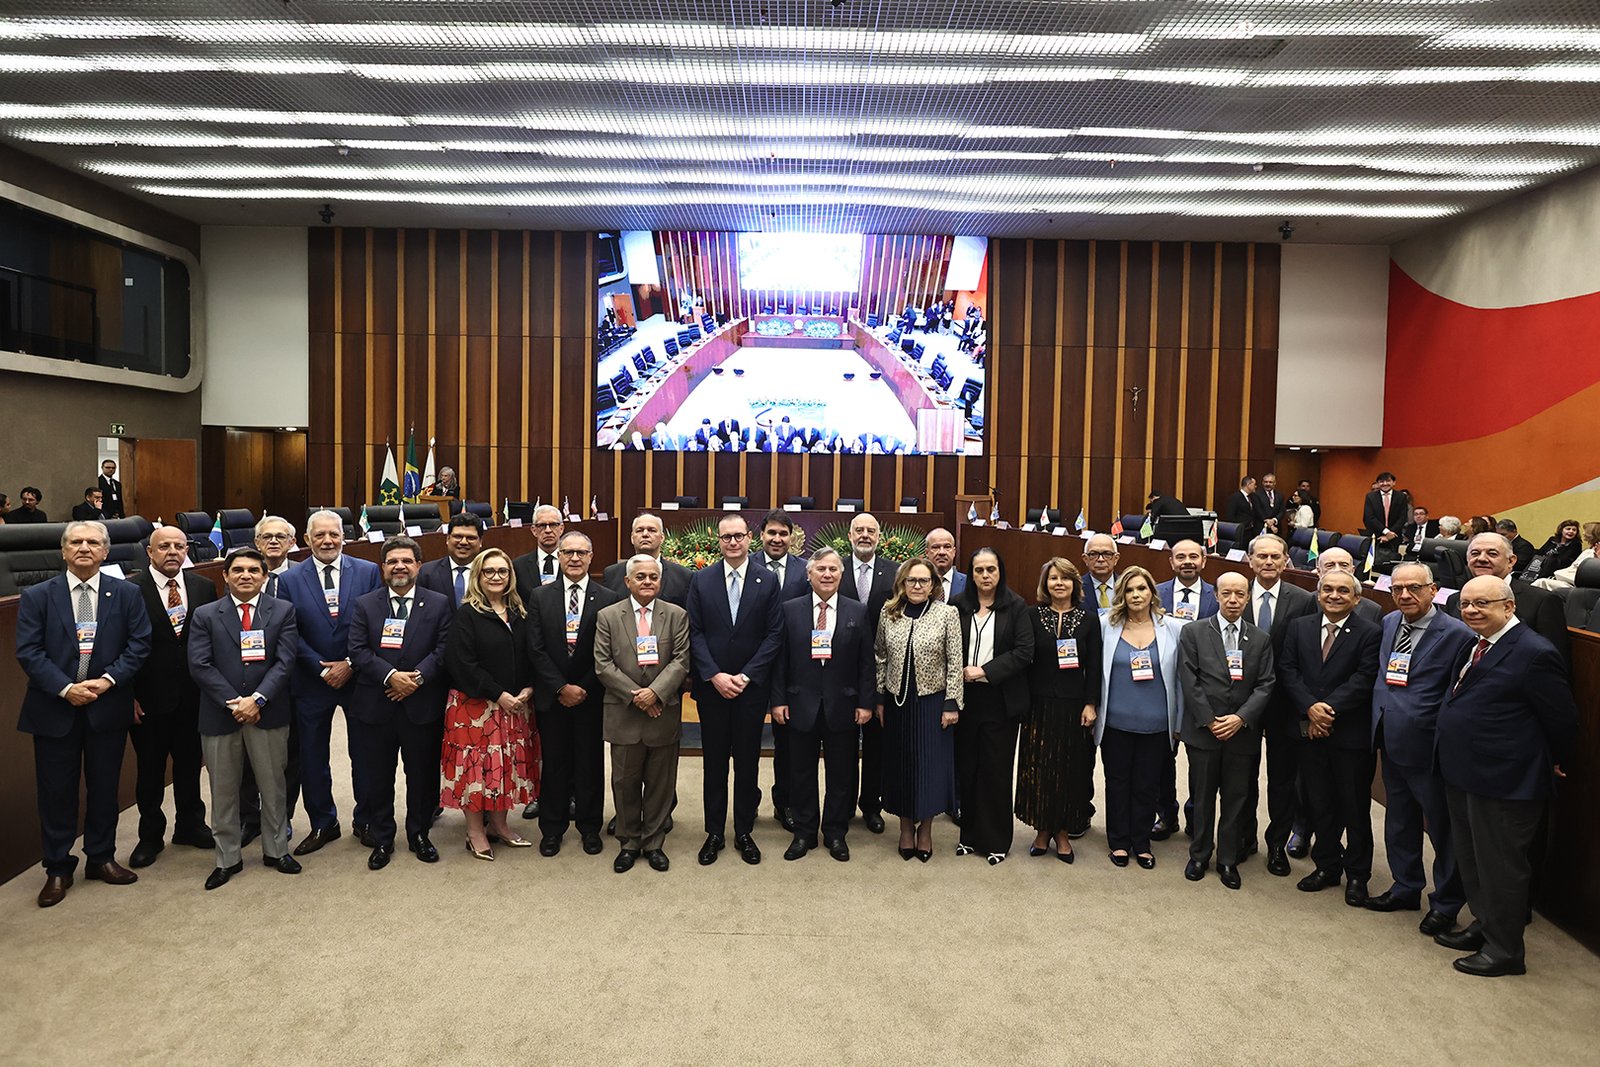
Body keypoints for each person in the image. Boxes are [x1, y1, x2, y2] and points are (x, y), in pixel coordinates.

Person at [1434, 575, 1577, 976]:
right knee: (1473, 860)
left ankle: (1506, 949)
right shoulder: (1475, 643)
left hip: (1505, 780)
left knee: (1501, 867)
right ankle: (1485, 925)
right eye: (1466, 604)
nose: (1471, 610)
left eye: (1482, 603)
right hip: (1465, 771)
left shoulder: (1534, 652)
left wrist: (1557, 758)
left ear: (1509, 606)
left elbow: (1562, 719)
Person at [15, 520, 151, 907]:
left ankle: (101, 857)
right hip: (54, 708)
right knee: (56, 792)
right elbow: (29, 651)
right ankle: (58, 867)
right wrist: (66, 688)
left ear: (105, 552)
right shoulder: (38, 596)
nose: (84, 548)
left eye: (93, 542)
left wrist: (107, 682)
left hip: (107, 706)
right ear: (63, 551)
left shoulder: (126, 593)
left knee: (105, 788)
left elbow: (139, 644)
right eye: (76, 542)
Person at [1366, 562, 1476, 935]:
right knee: (1399, 819)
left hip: (1429, 747)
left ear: (1433, 590)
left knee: (1442, 829)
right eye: (1397, 589)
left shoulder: (1458, 634)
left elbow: (1458, 695)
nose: (1405, 595)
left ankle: (1446, 904)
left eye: (1414, 587)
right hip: (1389, 738)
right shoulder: (1389, 622)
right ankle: (1406, 886)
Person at [187, 547, 302, 890]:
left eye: (254, 570)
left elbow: (285, 662)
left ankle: (276, 850)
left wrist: (257, 699)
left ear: (265, 576)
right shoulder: (205, 614)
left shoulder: (282, 610)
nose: (246, 575)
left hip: (268, 712)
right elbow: (200, 664)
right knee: (223, 790)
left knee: (273, 786)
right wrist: (234, 703)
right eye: (238, 570)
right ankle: (227, 858)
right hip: (220, 715)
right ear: (225, 576)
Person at [277, 509, 382, 856]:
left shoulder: (367, 572)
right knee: (312, 757)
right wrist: (321, 668)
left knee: (364, 753)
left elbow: (376, 623)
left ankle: (365, 819)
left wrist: (350, 663)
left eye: (333, 534)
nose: (327, 541)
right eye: (319, 535)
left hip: (359, 678)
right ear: (307, 539)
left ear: (344, 537)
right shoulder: (289, 579)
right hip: (311, 679)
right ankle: (323, 822)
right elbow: (289, 631)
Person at [346, 536, 452, 870]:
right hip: (376, 705)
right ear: (383, 568)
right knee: (378, 776)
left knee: (421, 775)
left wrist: (416, 679)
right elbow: (357, 650)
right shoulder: (365, 604)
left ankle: (419, 834)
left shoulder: (438, 603)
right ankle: (382, 838)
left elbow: (444, 649)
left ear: (418, 565)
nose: (399, 567)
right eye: (392, 561)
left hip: (422, 705)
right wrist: (391, 676)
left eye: (406, 560)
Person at [1278, 569, 1382, 904]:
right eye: (1327, 589)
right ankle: (1327, 866)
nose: (1334, 595)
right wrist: (1310, 708)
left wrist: (1326, 710)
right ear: (1318, 594)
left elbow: (1364, 677)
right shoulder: (1299, 626)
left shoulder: (1370, 632)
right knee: (1318, 803)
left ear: (1357, 598)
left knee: (1354, 807)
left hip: (1349, 735)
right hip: (1310, 731)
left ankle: (1358, 875)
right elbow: (1288, 670)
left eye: (1342, 590)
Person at [687, 512, 784, 866]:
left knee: (747, 762)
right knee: (714, 763)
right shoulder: (701, 579)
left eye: (738, 536)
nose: (732, 542)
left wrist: (746, 676)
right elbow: (694, 632)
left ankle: (744, 831)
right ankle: (714, 831)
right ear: (718, 540)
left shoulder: (767, 580)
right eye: (726, 537)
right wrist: (714, 675)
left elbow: (774, 634)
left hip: (750, 690)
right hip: (712, 689)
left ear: (749, 539)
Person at [769, 547, 876, 861]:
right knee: (800, 773)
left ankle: (835, 833)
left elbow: (866, 662)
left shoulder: (857, 611)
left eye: (833, 569)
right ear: (809, 574)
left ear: (841, 574)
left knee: (841, 774)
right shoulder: (790, 609)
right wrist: (778, 700)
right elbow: (780, 660)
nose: (827, 574)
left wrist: (866, 703)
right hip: (799, 704)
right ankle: (804, 833)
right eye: (821, 569)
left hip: (843, 705)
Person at [126, 524, 218, 868]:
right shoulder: (129, 590)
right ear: (149, 552)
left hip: (194, 697)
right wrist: (128, 696)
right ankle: (150, 836)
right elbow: (119, 645)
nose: (172, 552)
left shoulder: (203, 586)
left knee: (190, 764)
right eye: (164, 546)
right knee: (150, 770)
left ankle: (190, 825)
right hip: (148, 699)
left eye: (179, 546)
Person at [593, 554, 691, 873]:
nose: (647, 581)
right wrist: (637, 696)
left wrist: (655, 693)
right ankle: (629, 842)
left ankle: (653, 843)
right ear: (627, 581)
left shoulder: (676, 615)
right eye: (640, 577)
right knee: (624, 783)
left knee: (661, 784)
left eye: (653, 576)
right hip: (624, 712)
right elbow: (602, 664)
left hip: (662, 712)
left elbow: (681, 660)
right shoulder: (608, 616)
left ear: (660, 581)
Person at [1176, 572, 1275, 890]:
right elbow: (1188, 679)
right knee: (1202, 796)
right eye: (1227, 593)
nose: (1233, 600)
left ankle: (1228, 859)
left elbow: (1266, 684)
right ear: (1216, 596)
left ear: (1247, 598)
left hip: (1242, 734)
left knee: (1236, 798)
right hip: (1204, 732)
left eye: (1240, 594)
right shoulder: (1193, 632)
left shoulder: (1260, 638)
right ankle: (1199, 855)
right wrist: (1209, 719)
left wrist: (1240, 718)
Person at [525, 530, 620, 856]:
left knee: (589, 764)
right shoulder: (540, 596)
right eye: (568, 552)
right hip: (553, 697)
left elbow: (607, 652)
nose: (575, 558)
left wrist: (582, 687)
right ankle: (552, 829)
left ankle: (590, 827)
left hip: (590, 696)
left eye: (581, 552)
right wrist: (560, 687)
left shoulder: (608, 597)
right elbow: (535, 648)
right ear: (559, 557)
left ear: (591, 557)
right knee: (554, 764)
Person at [442, 548, 536, 860]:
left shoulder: (520, 612)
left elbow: (531, 653)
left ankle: (499, 825)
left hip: (515, 705)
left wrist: (529, 687)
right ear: (478, 576)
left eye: (502, 571)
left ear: (511, 576)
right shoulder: (467, 613)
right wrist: (498, 694)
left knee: (505, 767)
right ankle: (474, 831)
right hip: (476, 708)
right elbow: (462, 663)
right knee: (476, 771)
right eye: (489, 571)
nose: (496, 577)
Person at [1095, 566, 1184, 869]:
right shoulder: (1105, 625)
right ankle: (1119, 842)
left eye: (1142, 589)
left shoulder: (1173, 628)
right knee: (1117, 782)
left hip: (1157, 723)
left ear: (1152, 593)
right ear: (1121, 595)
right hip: (1115, 722)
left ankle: (1142, 842)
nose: (1136, 595)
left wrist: (1179, 723)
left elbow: (1181, 679)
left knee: (1147, 785)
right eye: (1129, 590)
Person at [875, 557, 963, 861]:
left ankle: (925, 830)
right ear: (902, 583)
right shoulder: (889, 613)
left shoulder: (946, 614)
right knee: (901, 765)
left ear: (933, 584)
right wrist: (879, 698)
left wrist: (952, 703)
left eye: (923, 580)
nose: (917, 585)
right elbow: (880, 656)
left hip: (933, 703)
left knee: (929, 767)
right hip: (897, 702)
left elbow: (955, 662)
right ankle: (904, 828)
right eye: (911, 580)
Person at [950, 548, 1035, 864]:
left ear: (1000, 572)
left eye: (991, 569)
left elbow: (1024, 652)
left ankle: (996, 840)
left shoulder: (1016, 606)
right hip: (964, 700)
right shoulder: (957, 605)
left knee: (995, 771)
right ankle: (969, 837)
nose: (985, 576)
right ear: (971, 574)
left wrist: (984, 671)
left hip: (999, 700)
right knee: (967, 769)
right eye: (979, 570)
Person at [1239, 533, 1316, 874]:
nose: (1268, 562)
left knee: (1282, 778)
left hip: (1286, 702)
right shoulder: (1236, 594)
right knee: (1242, 774)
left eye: (1275, 556)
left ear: (1286, 561)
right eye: (1262, 556)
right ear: (1250, 560)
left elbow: (1307, 655)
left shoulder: (1303, 600)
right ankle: (1244, 837)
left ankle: (1276, 845)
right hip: (1242, 702)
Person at [1016, 557, 1101, 861]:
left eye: (1065, 578)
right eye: (1053, 578)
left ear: (1074, 583)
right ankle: (1042, 829)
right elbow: (1023, 660)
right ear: (1045, 584)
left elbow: (1095, 666)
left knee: (1069, 769)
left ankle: (1062, 831)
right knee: (1038, 768)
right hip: (1038, 706)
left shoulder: (1089, 620)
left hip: (1073, 707)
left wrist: (1091, 703)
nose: (1059, 583)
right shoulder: (1030, 615)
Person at [1151, 538, 1217, 840]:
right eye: (1180, 557)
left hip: (1203, 690)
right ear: (1171, 562)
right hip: (1163, 686)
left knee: (1199, 762)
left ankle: (1195, 816)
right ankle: (1166, 814)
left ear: (1204, 560)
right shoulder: (1155, 593)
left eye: (1193, 556)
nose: (1187, 561)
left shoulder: (1217, 595)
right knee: (1162, 758)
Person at [242, 515, 302, 844]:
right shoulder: (241, 575)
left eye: (281, 536)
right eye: (267, 537)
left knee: (289, 754)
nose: (274, 541)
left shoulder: (304, 576)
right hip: (247, 681)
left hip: (293, 679)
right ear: (257, 543)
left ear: (293, 542)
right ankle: (249, 817)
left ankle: (283, 816)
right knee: (245, 754)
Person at [838, 512, 897, 834]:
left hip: (881, 672)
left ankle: (872, 806)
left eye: (870, 531)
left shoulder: (895, 572)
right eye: (858, 530)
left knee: (877, 745)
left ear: (879, 536)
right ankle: (845, 804)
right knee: (844, 744)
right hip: (842, 671)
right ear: (849, 535)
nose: (864, 535)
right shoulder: (835, 568)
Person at [755, 509, 813, 833]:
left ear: (792, 537)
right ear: (761, 535)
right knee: (747, 742)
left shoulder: (805, 571)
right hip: (752, 665)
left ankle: (785, 803)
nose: (777, 539)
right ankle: (747, 802)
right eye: (772, 533)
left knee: (788, 744)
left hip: (792, 668)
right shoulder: (746, 565)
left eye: (783, 534)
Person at [1443, 532, 1570, 663]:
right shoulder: (1455, 600)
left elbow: (1554, 661)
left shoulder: (1542, 601)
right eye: (1475, 553)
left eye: (1492, 554)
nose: (1481, 558)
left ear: (1511, 561)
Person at [601, 512, 692, 607]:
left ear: (662, 538)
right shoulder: (612, 574)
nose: (645, 534)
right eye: (639, 530)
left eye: (652, 530)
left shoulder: (683, 576)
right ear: (632, 538)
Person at [417, 513, 483, 607]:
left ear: (480, 542)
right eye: (458, 536)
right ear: (447, 539)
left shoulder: (489, 573)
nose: (463, 542)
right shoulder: (427, 572)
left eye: (470, 538)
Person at [1315, 546, 1383, 624]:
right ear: (1319, 571)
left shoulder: (1372, 610)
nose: (1337, 569)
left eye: (1344, 565)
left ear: (1352, 571)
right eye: (1330, 565)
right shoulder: (1306, 602)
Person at [512, 504, 565, 594]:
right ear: (534, 530)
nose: (548, 530)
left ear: (561, 529)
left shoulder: (571, 563)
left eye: (553, 525)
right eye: (542, 525)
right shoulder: (518, 566)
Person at [1363, 471, 1411, 571]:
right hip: (1376, 536)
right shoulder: (1371, 496)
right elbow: (1369, 517)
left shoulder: (1401, 496)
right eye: (1381, 481)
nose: (1385, 484)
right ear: (1377, 483)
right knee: (1373, 567)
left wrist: (1391, 534)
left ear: (1394, 482)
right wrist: (1386, 532)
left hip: (1395, 537)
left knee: (1392, 567)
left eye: (1388, 481)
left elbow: (1402, 517)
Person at [1531, 520, 1600, 590]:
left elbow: (1574, 567)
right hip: (1559, 574)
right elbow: (1540, 552)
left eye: (1574, 530)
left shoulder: (1580, 546)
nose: (1583, 533)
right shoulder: (1552, 539)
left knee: (1540, 582)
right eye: (1568, 529)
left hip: (1570, 581)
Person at [1081, 533, 1120, 614]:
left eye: (1107, 554)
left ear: (1116, 559)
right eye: (1093, 554)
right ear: (1085, 559)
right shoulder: (1077, 588)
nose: (1101, 559)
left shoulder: (1125, 585)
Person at [924, 527, 967, 598]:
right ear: (927, 552)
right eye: (935, 547)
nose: (942, 552)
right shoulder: (918, 583)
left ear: (954, 552)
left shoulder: (968, 583)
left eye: (947, 547)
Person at [1224, 476, 1259, 546]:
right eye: (1254, 484)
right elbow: (1230, 515)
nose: (1256, 486)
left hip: (1250, 531)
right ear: (1248, 484)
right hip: (1240, 531)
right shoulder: (1235, 497)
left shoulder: (1253, 497)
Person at [1250, 471, 1283, 536]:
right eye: (1266, 482)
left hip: (1276, 529)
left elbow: (1282, 511)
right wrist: (1269, 523)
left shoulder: (1280, 495)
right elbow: (1258, 511)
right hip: (1261, 528)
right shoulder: (1256, 495)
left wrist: (1274, 520)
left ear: (1275, 483)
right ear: (1262, 483)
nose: (1268, 484)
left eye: (1270, 482)